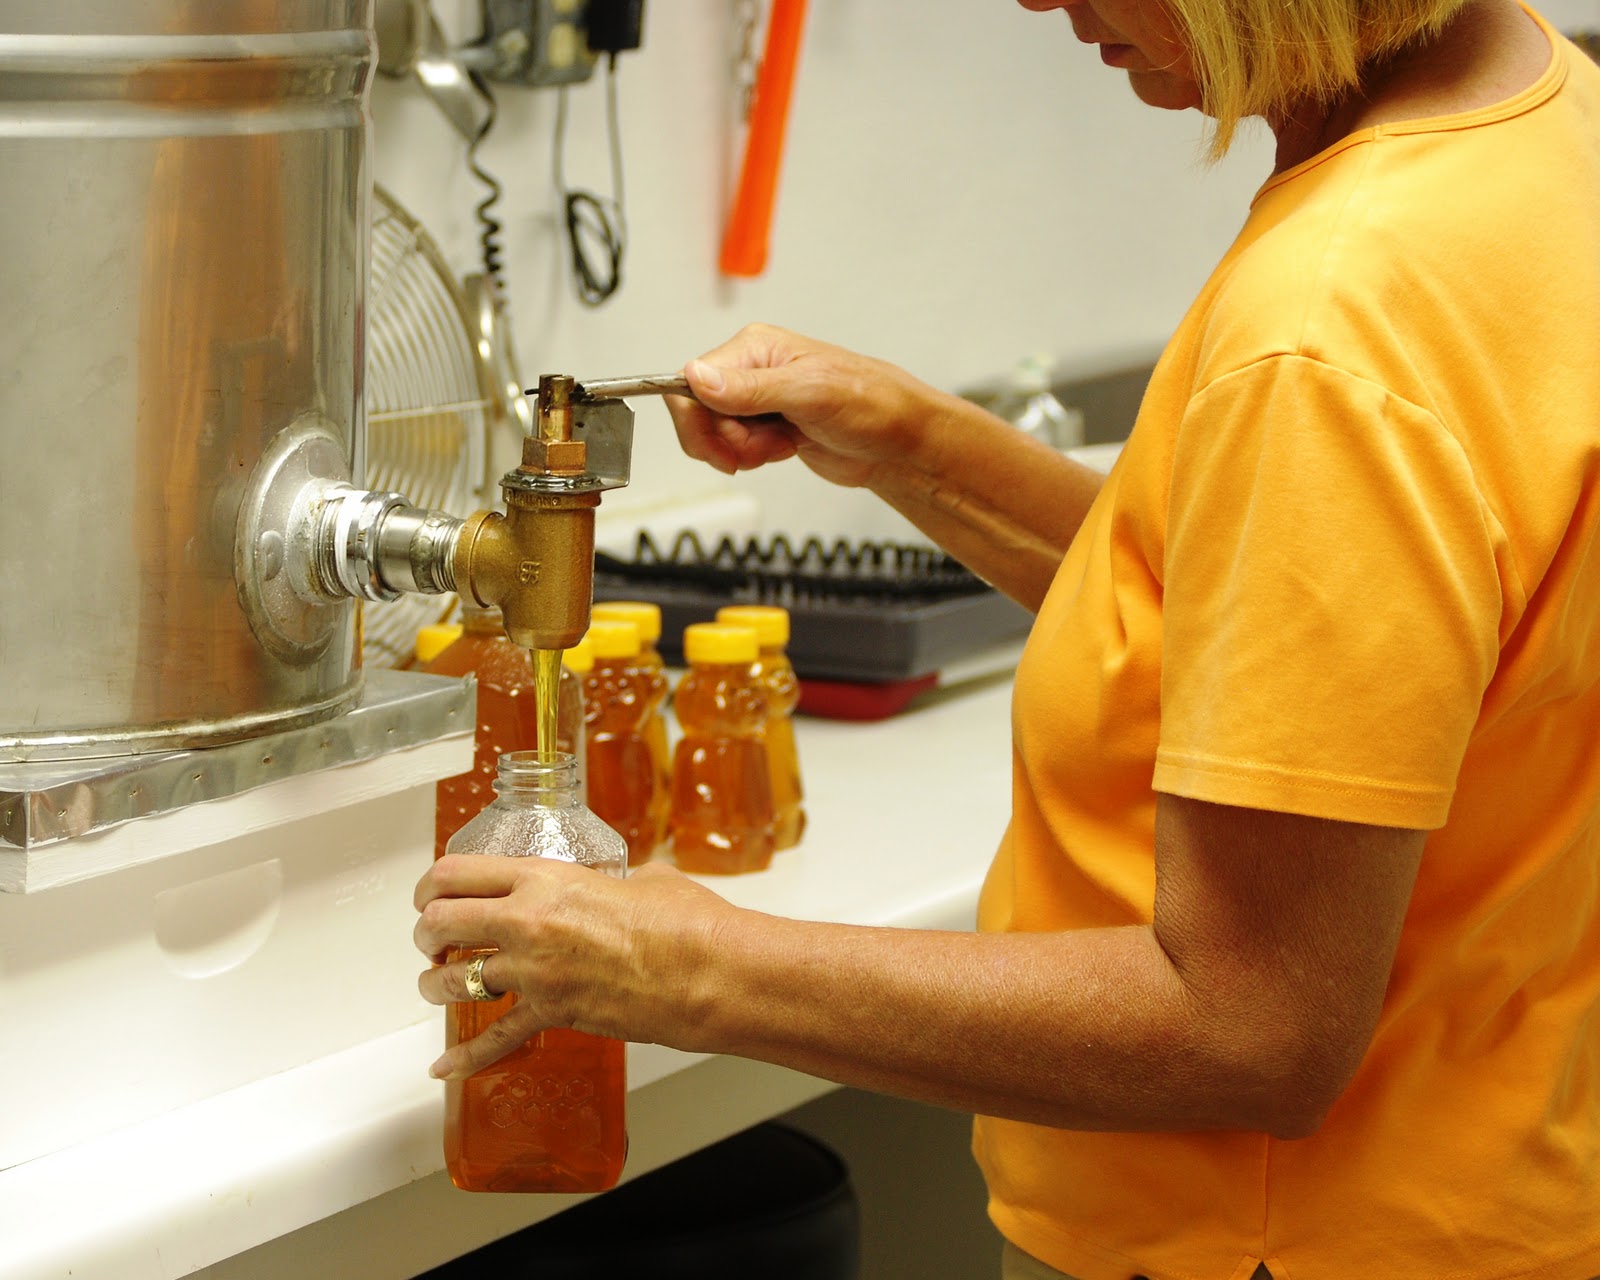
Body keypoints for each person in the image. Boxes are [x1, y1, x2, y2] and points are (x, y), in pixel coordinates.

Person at [413, 0, 1600, 1274]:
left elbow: (1250, 1021)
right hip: (1500, 1181)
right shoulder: (1537, 114)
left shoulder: (1333, 323)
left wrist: (689, 962)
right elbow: (1274, 627)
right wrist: (920, 446)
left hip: (1273, 1240)